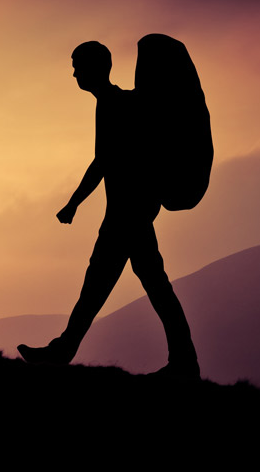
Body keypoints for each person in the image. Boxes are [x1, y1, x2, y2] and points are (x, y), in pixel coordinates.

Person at [17, 41, 199, 378]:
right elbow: (103, 161)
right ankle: (183, 362)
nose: (74, 73)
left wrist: (73, 203)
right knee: (131, 284)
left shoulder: (117, 105)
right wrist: (76, 203)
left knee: (111, 284)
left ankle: (183, 363)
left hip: (128, 214)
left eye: (77, 66)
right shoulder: (110, 104)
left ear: (96, 67)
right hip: (126, 212)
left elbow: (104, 162)